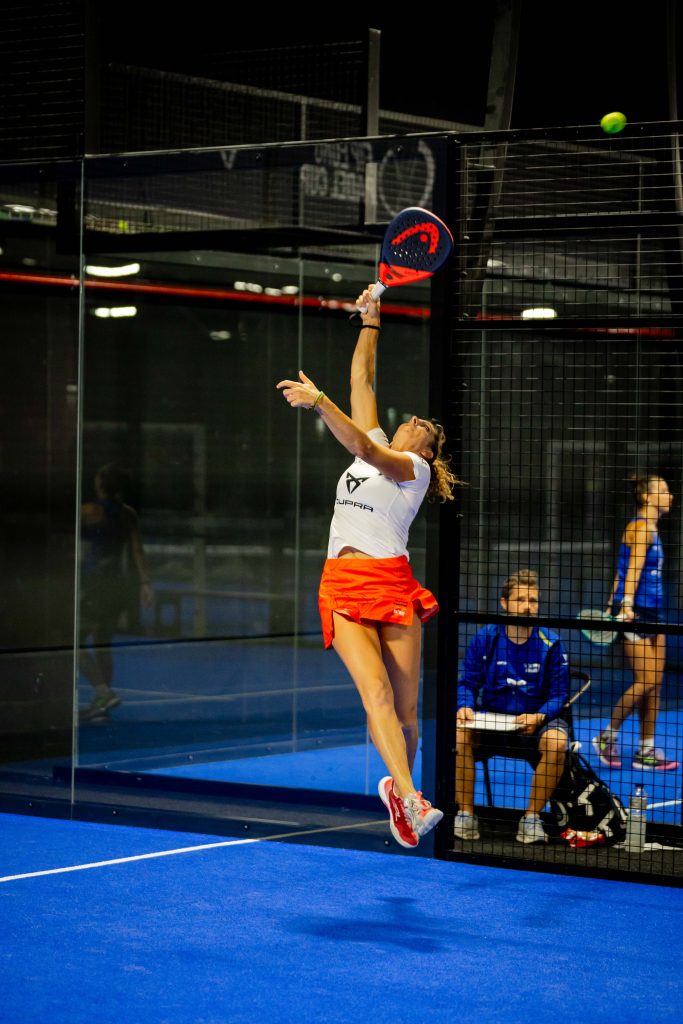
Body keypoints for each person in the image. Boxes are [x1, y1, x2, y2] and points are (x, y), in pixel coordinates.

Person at [276, 286, 459, 849]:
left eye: (424, 427)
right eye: (414, 420)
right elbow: (362, 379)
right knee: (375, 692)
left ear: (427, 451)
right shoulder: (375, 439)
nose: (414, 421)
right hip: (343, 585)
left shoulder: (412, 470)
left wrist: (319, 403)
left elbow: (365, 447)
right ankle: (409, 796)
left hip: (393, 585)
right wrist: (371, 319)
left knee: (408, 713)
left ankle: (399, 792)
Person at [454, 569, 570, 844]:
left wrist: (540, 716)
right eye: (520, 600)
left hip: (535, 721)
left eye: (533, 600)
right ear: (504, 603)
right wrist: (465, 706)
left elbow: (560, 695)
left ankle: (531, 820)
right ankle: (465, 816)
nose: (528, 606)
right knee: (458, 735)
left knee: (557, 743)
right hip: (492, 721)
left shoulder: (551, 643)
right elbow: (467, 683)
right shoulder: (486, 638)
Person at [592, 474, 679, 771]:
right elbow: (632, 572)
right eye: (663, 491)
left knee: (655, 686)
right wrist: (624, 605)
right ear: (647, 497)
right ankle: (607, 736)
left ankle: (646, 750)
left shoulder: (651, 528)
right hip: (636, 613)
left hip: (655, 613)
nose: (670, 496)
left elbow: (621, 571)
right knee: (647, 680)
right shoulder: (640, 529)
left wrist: (611, 602)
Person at [79, 463, 153, 722]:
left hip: (95, 584)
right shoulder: (128, 514)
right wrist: (145, 583)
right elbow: (137, 550)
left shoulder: (89, 511)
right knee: (103, 643)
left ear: (100, 484)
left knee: (71, 641)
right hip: (118, 586)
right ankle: (102, 709)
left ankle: (103, 692)